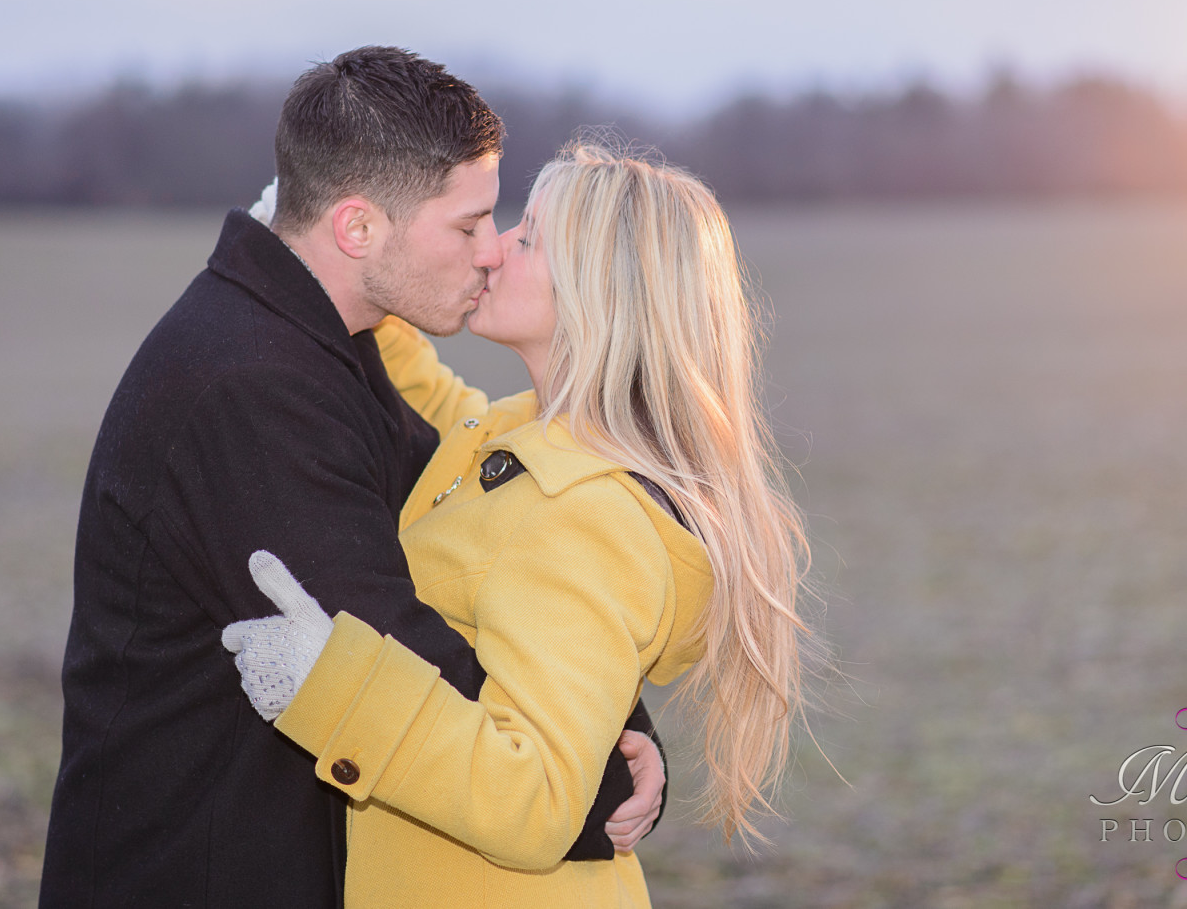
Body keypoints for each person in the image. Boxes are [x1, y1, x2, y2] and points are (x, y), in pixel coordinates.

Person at [40, 49, 662, 908]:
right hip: (196, 872)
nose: (489, 253)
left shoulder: (319, 349)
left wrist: (606, 715)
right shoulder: (248, 387)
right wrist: (593, 778)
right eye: (468, 225)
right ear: (358, 228)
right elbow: (391, 637)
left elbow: (460, 536)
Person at [224, 143, 813, 907]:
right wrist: (319, 252)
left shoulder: (586, 516)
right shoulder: (524, 437)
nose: (494, 250)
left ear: (600, 294)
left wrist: (331, 686)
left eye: (529, 239)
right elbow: (436, 406)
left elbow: (535, 796)